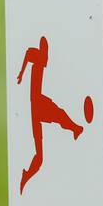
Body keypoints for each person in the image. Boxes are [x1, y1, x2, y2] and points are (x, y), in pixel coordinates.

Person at [17, 36, 83, 194]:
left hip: (36, 104)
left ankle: (75, 129)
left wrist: (22, 72)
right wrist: (21, 72)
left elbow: (27, 54)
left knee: (40, 154)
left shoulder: (40, 58)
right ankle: (75, 128)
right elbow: (27, 53)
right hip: (37, 102)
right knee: (58, 115)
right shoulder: (39, 56)